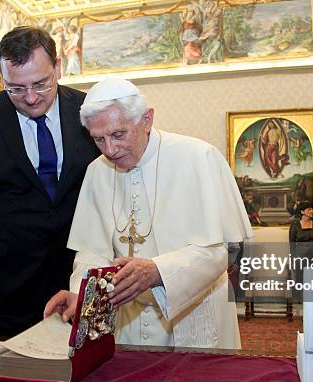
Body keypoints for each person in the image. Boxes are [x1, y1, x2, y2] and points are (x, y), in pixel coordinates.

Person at [44, 78, 252, 349]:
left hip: (194, 319)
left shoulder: (199, 157)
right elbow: (91, 251)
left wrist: (158, 271)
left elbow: (225, 249)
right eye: (99, 139)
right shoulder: (97, 171)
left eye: (118, 134)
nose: (109, 149)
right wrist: (81, 294)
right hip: (127, 322)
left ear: (147, 119)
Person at [0, 26, 99, 336]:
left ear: (58, 68)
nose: (30, 97)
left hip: (76, 285)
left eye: (40, 84)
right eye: (15, 88)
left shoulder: (89, 112)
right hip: (3, 292)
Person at [289, 202, 313, 287]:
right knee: (300, 281)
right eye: (309, 209)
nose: (312, 211)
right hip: (300, 258)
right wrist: (293, 261)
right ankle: (300, 299)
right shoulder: (295, 226)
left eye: (312, 209)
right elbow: (292, 245)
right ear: (302, 212)